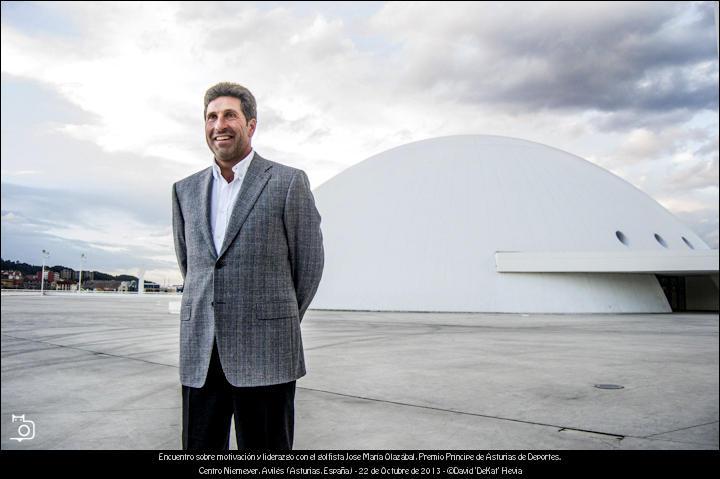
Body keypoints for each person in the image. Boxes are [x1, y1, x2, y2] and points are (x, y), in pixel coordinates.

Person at [171, 82, 324, 450]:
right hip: (201, 354)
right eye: (211, 117)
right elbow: (191, 266)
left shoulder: (288, 182)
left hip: (266, 352)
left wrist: (275, 318)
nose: (218, 125)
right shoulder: (184, 190)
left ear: (250, 125)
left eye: (229, 115)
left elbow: (309, 265)